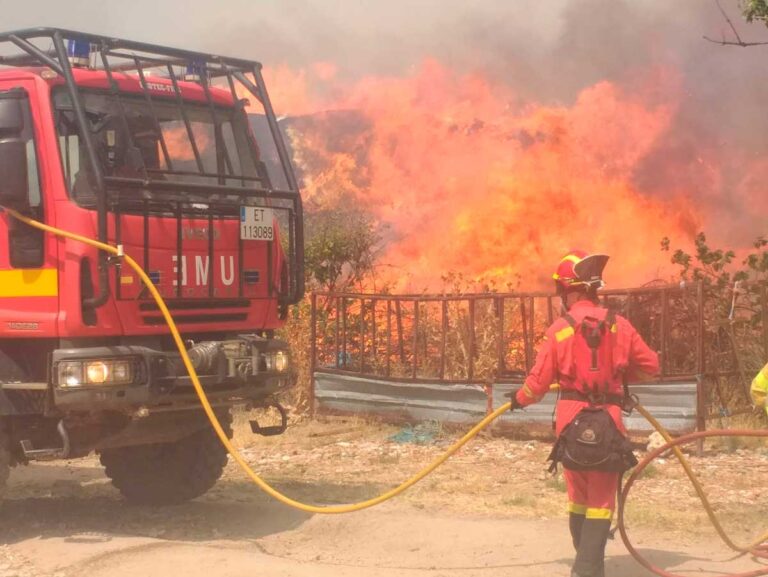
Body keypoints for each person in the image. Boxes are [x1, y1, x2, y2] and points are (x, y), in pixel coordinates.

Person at [508, 249, 659, 577]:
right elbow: (651, 366)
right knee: (601, 501)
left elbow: (537, 383)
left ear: (570, 291)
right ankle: (588, 568)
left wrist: (518, 400)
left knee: (577, 496)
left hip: (570, 423)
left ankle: (586, 566)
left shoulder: (559, 330)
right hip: (608, 421)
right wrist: (618, 376)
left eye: (562, 292)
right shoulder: (620, 326)